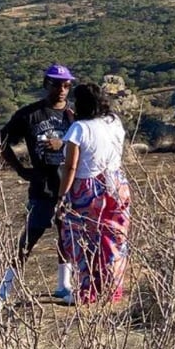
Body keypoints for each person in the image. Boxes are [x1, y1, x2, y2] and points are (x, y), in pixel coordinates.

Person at [0, 64, 75, 302]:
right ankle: (4, 289)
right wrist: (21, 170)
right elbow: (2, 140)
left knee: (67, 235)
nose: (62, 89)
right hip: (43, 187)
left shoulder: (74, 117)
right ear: (45, 85)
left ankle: (64, 284)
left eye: (66, 85)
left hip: (69, 185)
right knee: (30, 237)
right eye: (56, 84)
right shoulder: (29, 115)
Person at [57, 82, 131, 305]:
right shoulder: (114, 122)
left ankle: (87, 292)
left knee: (83, 240)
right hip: (117, 183)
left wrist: (62, 196)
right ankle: (112, 289)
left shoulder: (79, 128)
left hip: (87, 188)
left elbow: (71, 166)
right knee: (113, 239)